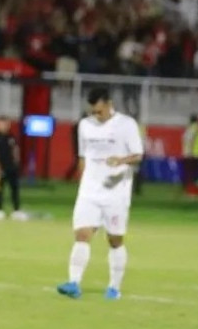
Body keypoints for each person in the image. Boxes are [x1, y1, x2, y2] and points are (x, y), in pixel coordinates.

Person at [57, 88, 143, 300]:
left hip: (116, 192)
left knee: (114, 240)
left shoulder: (126, 124)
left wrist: (120, 161)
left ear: (109, 104)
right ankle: (74, 283)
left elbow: (138, 155)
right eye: (93, 112)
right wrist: (81, 179)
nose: (97, 116)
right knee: (82, 235)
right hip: (89, 191)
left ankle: (114, 287)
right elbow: (83, 157)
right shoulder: (85, 126)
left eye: (100, 111)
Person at [0, 118, 24, 220]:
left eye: (6, 124)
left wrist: (16, 161)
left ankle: (16, 210)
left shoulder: (11, 137)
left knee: (14, 189)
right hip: (0, 167)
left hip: (12, 167)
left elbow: (15, 149)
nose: (4, 126)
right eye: (2, 124)